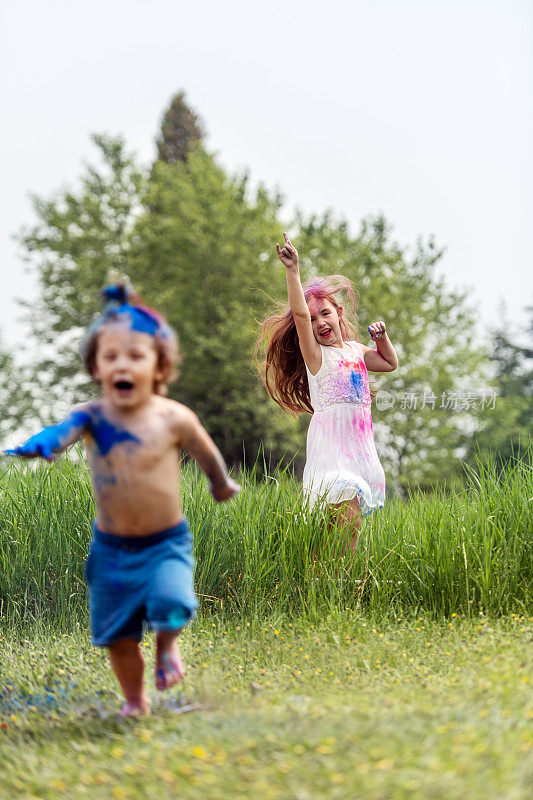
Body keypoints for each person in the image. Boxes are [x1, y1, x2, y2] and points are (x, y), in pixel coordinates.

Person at [4, 284, 240, 716]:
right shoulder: (92, 416)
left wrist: (220, 485)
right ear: (96, 367)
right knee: (118, 634)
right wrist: (41, 444)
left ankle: (168, 645)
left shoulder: (174, 417)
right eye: (111, 357)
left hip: (164, 541)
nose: (122, 365)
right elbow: (60, 434)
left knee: (172, 602)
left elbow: (207, 456)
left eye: (135, 356)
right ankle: (135, 702)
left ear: (159, 365)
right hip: (111, 548)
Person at [256, 234, 397, 554]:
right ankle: (338, 585)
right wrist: (293, 271)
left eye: (326, 313)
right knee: (345, 518)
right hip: (332, 453)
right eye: (314, 317)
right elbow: (301, 315)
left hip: (359, 452)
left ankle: (326, 584)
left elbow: (389, 363)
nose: (319, 321)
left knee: (340, 532)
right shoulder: (315, 356)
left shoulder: (357, 350)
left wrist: (383, 338)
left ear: (339, 312)